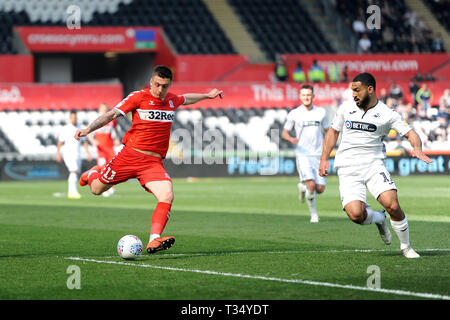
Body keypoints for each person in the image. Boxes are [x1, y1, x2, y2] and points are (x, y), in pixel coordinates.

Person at [74, 65, 223, 254]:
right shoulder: (139, 97)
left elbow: (186, 99)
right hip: (129, 156)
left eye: (165, 86)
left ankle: (154, 240)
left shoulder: (171, 99)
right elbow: (112, 114)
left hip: (152, 163)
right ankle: (93, 173)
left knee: (167, 194)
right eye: (158, 85)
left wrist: (207, 96)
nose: (161, 90)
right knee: (96, 189)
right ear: (151, 81)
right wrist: (88, 130)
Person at [319, 72, 433, 259]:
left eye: (357, 90)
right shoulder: (346, 108)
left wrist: (417, 148)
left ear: (370, 89)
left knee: (393, 205)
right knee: (356, 215)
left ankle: (406, 247)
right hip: (347, 167)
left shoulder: (388, 114)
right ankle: (379, 219)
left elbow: (410, 133)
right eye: (352, 90)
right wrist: (324, 158)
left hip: (373, 165)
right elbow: (333, 132)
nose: (353, 94)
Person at [282, 84, 329, 223]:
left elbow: (328, 130)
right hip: (303, 155)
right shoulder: (294, 113)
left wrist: (329, 144)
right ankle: (314, 215)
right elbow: (284, 132)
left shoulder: (321, 112)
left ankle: (302, 188)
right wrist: (291, 139)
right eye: (303, 95)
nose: (306, 97)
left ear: (313, 96)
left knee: (320, 189)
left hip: (319, 155)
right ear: (300, 97)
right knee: (312, 185)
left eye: (308, 95)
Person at [56, 110, 92, 199]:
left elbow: (84, 142)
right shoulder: (66, 129)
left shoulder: (79, 128)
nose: (73, 119)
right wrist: (58, 153)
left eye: (75, 118)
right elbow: (60, 142)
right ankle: (73, 192)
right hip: (68, 153)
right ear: (70, 118)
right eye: (72, 117)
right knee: (74, 171)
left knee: (75, 172)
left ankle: (71, 192)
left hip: (77, 154)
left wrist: (88, 153)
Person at [87, 103, 121, 197]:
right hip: (101, 148)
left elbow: (115, 129)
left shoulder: (111, 119)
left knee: (112, 167)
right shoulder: (96, 119)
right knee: (102, 167)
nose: (104, 110)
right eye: (102, 108)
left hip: (110, 146)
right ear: (99, 109)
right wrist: (92, 140)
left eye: (105, 108)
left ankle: (111, 187)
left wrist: (117, 138)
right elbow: (89, 130)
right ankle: (103, 188)